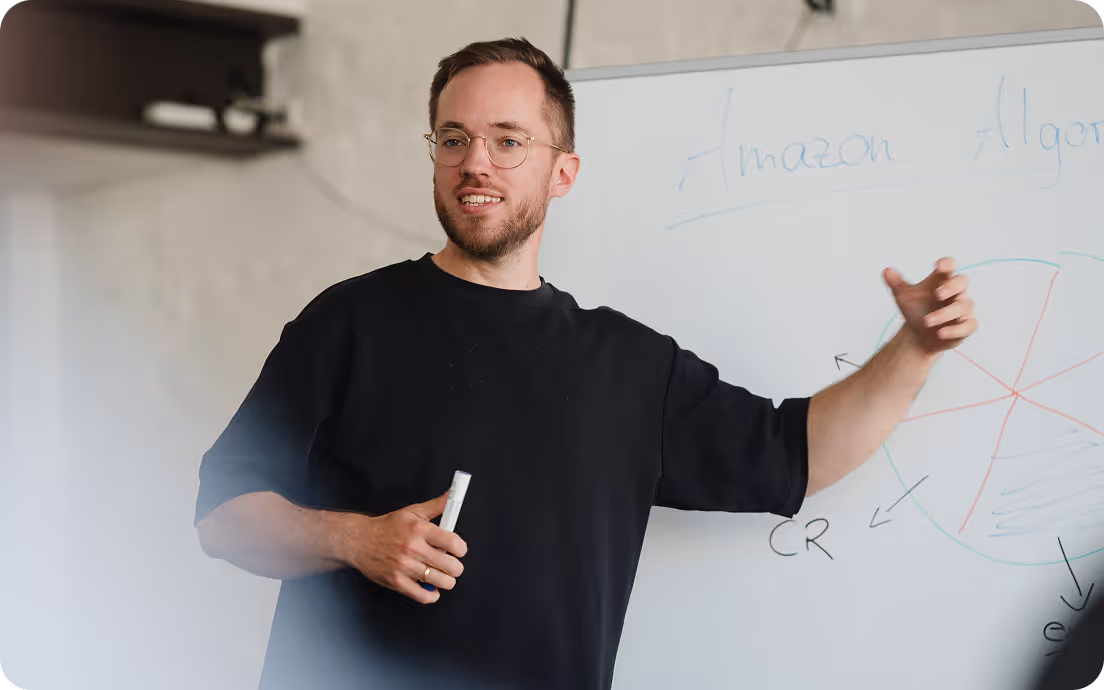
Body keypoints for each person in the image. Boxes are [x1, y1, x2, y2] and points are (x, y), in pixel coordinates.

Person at [193, 37, 977, 690]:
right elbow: (222, 518)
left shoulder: (631, 366)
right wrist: (356, 539)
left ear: (561, 172)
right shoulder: (349, 323)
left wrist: (916, 348)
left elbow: (792, 455)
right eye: (454, 139)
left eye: (509, 140)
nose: (478, 163)